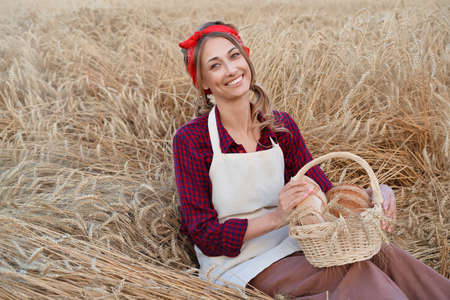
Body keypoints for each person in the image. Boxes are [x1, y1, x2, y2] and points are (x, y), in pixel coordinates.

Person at [172, 21, 450, 299]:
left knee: (385, 256)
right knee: (358, 272)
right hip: (241, 262)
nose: (232, 69)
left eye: (234, 56)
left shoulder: (279, 126)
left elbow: (324, 189)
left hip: (298, 241)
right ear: (204, 83)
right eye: (215, 65)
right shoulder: (192, 140)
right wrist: (278, 217)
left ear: (246, 58)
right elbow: (205, 235)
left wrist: (374, 196)